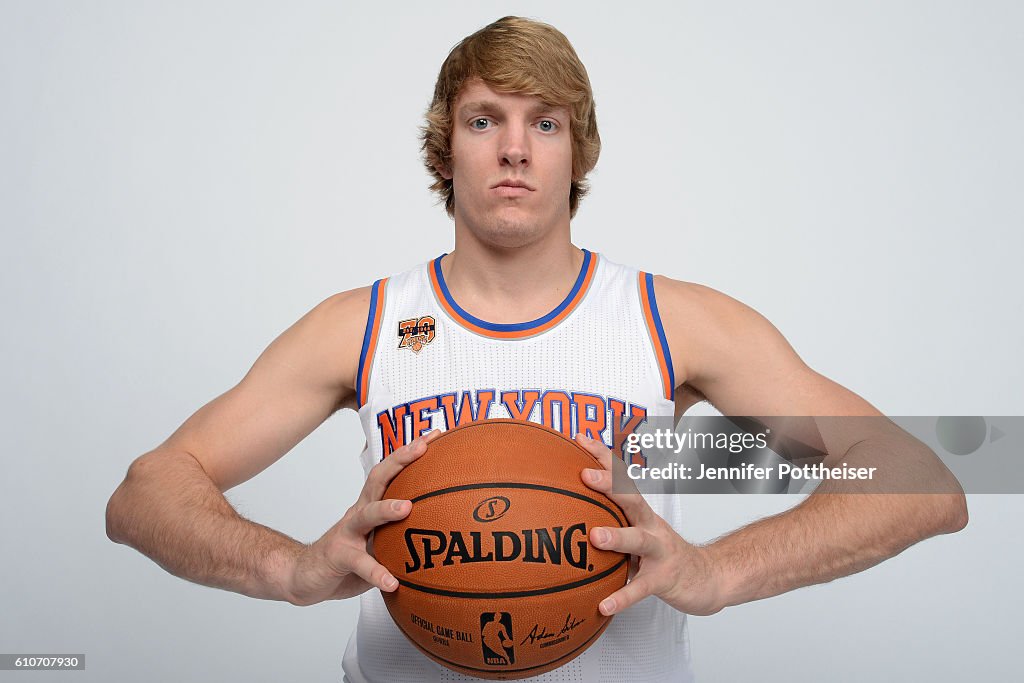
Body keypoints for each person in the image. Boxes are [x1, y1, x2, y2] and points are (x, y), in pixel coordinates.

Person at [105, 16, 968, 682]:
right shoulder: (361, 324)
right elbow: (145, 490)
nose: (514, 148)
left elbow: (920, 476)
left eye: (544, 123)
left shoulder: (676, 320)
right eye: (485, 119)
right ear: (447, 146)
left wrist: (713, 571)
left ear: (577, 149)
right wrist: (290, 566)